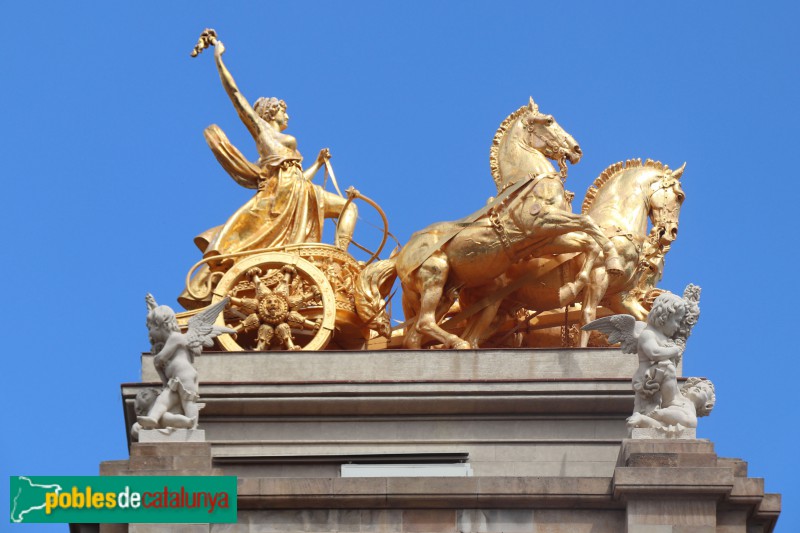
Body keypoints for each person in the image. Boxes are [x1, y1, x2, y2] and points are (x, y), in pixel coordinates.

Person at [180, 37, 358, 309]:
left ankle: (339, 260)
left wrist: (318, 164)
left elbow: (298, 177)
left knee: (349, 208)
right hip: (280, 194)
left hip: (300, 189)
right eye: (284, 111)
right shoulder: (262, 130)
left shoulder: (288, 147)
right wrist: (219, 58)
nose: (288, 116)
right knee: (347, 208)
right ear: (272, 112)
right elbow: (236, 95)